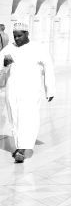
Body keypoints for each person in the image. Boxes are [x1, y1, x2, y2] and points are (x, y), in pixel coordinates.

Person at [0, 21, 55, 163]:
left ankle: (22, 149)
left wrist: (50, 89)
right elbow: (1, 66)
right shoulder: (8, 49)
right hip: (12, 89)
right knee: (14, 118)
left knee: (27, 117)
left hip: (31, 90)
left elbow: (48, 66)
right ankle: (19, 146)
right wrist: (5, 64)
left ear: (27, 34)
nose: (16, 39)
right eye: (14, 36)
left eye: (19, 36)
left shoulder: (38, 48)